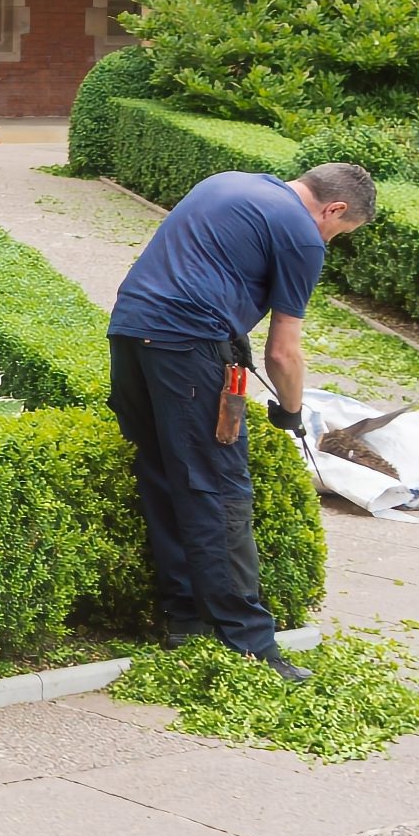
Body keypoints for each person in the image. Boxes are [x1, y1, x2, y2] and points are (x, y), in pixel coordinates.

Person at [107, 163, 377, 684]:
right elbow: (283, 352)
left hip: (131, 332)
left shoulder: (227, 182)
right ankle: (250, 646)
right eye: (339, 233)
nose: (330, 241)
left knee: (164, 476)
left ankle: (185, 621)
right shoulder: (302, 234)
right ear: (334, 209)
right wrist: (292, 412)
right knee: (220, 490)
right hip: (188, 347)